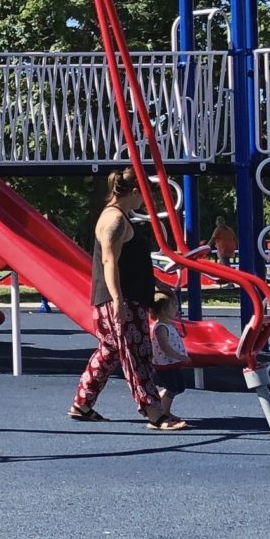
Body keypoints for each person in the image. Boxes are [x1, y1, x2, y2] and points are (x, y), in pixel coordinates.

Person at [69, 170, 184, 429]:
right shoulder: (115, 221)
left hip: (122, 297)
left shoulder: (118, 217)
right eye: (143, 196)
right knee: (138, 353)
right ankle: (154, 412)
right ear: (134, 192)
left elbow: (130, 261)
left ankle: (82, 403)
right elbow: (109, 261)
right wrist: (118, 300)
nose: (144, 202)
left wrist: (156, 283)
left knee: (109, 351)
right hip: (124, 300)